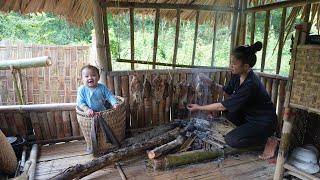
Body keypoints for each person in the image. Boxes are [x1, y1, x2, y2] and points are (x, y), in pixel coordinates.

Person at [187, 41, 277, 149]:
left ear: (246, 66)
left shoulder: (250, 84)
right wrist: (210, 82)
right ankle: (250, 133)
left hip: (263, 122)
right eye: (231, 62)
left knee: (231, 140)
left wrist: (199, 107)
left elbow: (222, 106)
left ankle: (267, 140)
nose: (231, 66)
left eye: (234, 63)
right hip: (248, 117)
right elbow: (225, 91)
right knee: (227, 117)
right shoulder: (237, 77)